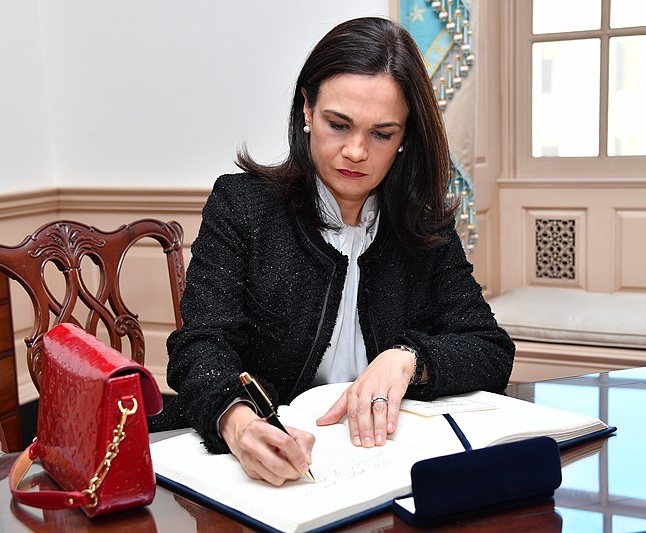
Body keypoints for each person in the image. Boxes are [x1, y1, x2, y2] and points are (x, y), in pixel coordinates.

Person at [159, 16, 515, 486]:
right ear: (306, 110)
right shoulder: (242, 205)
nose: (355, 151)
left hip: (381, 467)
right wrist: (240, 424)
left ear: (405, 136)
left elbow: (489, 349)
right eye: (338, 124)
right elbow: (199, 346)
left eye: (382, 134)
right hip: (259, 467)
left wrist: (406, 357)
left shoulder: (423, 225)